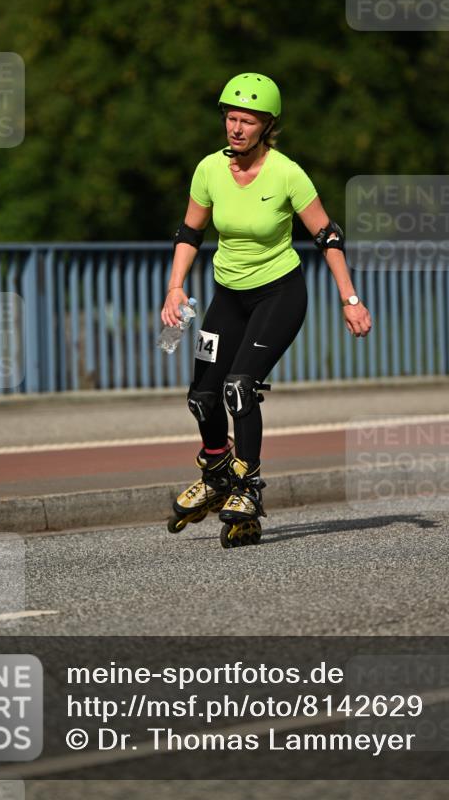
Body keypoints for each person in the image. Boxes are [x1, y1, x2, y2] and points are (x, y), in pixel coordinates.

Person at [162, 73, 372, 548]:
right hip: (228, 297)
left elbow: (328, 235)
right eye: (231, 118)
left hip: (279, 295)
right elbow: (190, 232)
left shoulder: (287, 174)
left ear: (267, 127)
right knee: (202, 396)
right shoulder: (209, 170)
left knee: (239, 387)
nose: (236, 128)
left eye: (248, 121)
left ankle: (247, 488)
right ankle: (218, 472)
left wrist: (350, 299)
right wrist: (175, 288)